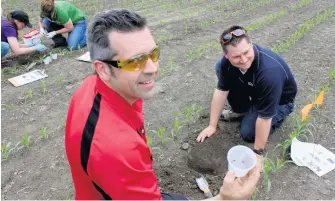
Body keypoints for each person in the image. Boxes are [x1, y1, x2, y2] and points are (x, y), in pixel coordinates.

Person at [65, 9, 261, 200]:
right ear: (103, 69)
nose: (153, 68)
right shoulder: (118, 148)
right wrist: (225, 199)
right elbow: (118, 155)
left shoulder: (92, 86)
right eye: (135, 61)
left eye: (153, 53)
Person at [196, 25, 297, 159]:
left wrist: (258, 153)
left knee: (248, 133)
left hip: (280, 101)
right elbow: (221, 91)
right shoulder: (226, 63)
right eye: (236, 56)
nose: (243, 60)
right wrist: (211, 126)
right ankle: (242, 111)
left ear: (251, 44)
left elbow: (264, 118)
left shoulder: (269, 72)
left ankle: (275, 114)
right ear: (226, 55)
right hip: (256, 91)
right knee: (220, 68)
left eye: (246, 52)